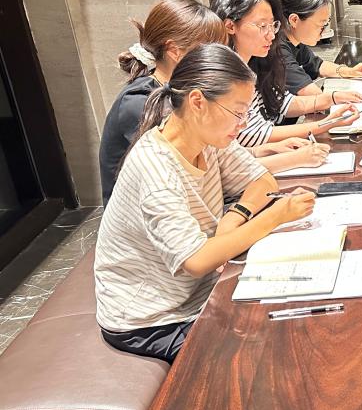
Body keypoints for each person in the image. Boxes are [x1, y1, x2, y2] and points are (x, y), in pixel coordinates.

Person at [95, 44, 315, 363]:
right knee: (266, 356)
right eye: (237, 112)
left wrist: (232, 219)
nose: (243, 123)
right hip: (152, 319)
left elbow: (262, 181)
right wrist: (273, 217)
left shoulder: (206, 138)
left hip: (197, 288)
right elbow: (196, 260)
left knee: (297, 317)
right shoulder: (156, 167)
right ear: (198, 101)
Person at [100, 0, 227, 204]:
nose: (220, 58)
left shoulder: (180, 89)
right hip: (143, 215)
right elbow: (187, 165)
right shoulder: (139, 102)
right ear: (175, 51)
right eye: (210, 49)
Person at [211, 0, 362, 148]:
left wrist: (331, 98)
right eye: (262, 26)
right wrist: (326, 123)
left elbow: (281, 102)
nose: (271, 35)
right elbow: (254, 135)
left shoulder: (254, 60)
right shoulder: (224, 74)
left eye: (273, 25)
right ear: (230, 26)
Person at [266, 0, 362, 96]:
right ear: (294, 20)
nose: (324, 31)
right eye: (321, 25)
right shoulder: (276, 49)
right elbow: (311, 93)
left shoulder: (292, 40)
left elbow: (318, 65)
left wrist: (350, 71)